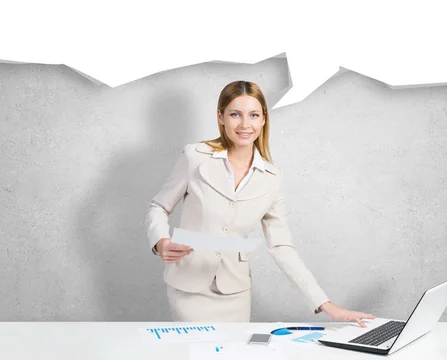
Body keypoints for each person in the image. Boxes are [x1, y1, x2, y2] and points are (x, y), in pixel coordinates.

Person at [145, 80, 375, 326]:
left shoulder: (272, 179)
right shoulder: (195, 157)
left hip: (235, 292)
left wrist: (325, 304)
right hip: (188, 286)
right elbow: (158, 207)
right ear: (221, 117)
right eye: (235, 114)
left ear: (263, 119)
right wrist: (160, 241)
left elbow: (281, 246)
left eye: (253, 115)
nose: (245, 124)